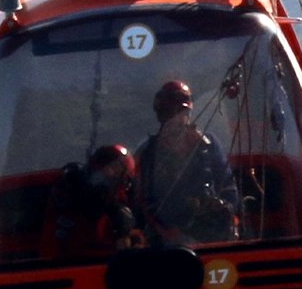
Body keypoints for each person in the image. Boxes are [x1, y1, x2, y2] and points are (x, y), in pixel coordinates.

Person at [136, 80, 240, 246]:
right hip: (168, 238)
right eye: (171, 114)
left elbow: (228, 186)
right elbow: (144, 199)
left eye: (182, 112)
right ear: (161, 116)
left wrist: (226, 215)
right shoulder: (148, 151)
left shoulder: (207, 144)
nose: (178, 119)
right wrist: (168, 230)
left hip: (211, 231)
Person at [41, 144, 144, 259]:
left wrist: (125, 233)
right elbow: (51, 247)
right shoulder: (67, 193)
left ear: (125, 181)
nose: (107, 172)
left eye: (115, 169)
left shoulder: (126, 212)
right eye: (104, 166)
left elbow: (134, 257)